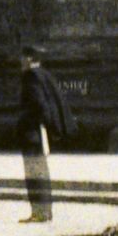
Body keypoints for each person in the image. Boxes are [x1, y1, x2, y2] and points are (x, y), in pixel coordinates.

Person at [19, 46, 74, 223]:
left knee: (34, 172)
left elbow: (39, 104)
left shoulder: (31, 76)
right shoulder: (45, 74)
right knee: (41, 170)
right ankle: (45, 211)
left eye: (22, 58)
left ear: (29, 59)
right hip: (39, 130)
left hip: (32, 131)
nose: (20, 62)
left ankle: (39, 212)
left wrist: (36, 122)